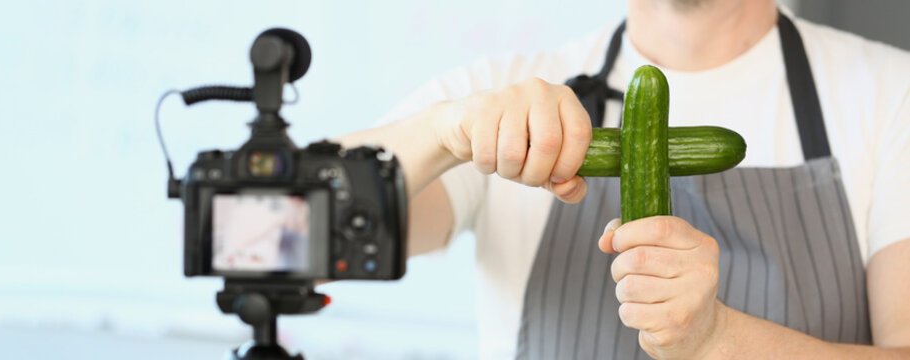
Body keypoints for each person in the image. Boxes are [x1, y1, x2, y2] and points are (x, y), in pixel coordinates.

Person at [338, 0, 910, 359]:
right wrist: (442, 132)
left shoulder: (891, 94)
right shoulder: (499, 87)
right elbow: (293, 237)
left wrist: (718, 341)